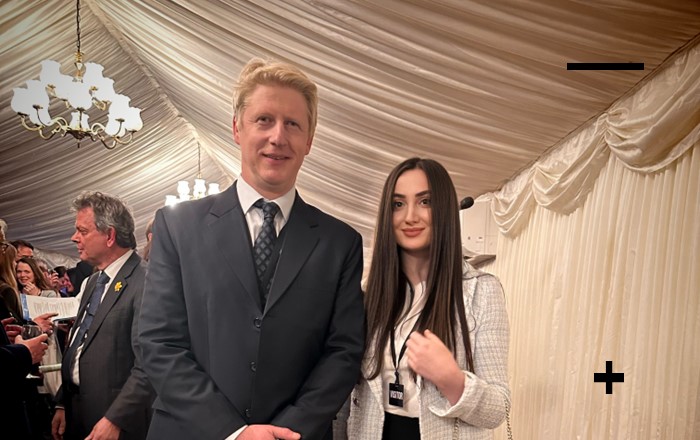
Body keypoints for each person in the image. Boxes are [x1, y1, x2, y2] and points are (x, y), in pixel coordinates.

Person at [139, 58, 365, 440]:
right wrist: (233, 432)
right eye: (264, 120)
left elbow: (343, 353)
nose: (278, 136)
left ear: (309, 140)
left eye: (293, 123)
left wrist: (289, 429)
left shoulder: (340, 243)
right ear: (237, 129)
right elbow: (159, 343)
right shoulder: (177, 226)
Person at [340, 158, 510, 440]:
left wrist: (452, 379)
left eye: (424, 202)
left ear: (442, 209)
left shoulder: (480, 291)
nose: (410, 216)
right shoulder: (368, 295)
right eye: (398, 204)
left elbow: (497, 408)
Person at [51, 191, 155, 440]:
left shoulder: (148, 281)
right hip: (78, 413)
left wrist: (116, 418)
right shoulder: (93, 281)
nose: (74, 238)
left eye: (83, 231)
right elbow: (79, 344)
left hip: (118, 423)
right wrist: (63, 402)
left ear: (109, 235)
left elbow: (149, 364)